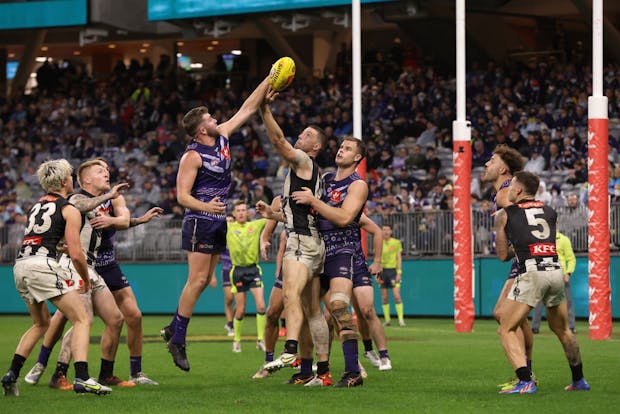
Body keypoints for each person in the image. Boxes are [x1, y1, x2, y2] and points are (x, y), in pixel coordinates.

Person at [161, 76, 270, 371]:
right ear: (200, 129)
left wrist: (269, 79)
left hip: (217, 220)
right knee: (196, 281)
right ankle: (177, 339)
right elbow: (182, 196)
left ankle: (173, 329)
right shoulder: (192, 155)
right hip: (199, 219)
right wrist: (206, 205)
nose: (215, 119)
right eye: (209, 117)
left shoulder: (221, 135)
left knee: (202, 283)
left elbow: (248, 108)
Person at [2, 159, 111, 396]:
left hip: (21, 266)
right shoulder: (69, 208)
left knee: (41, 323)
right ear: (64, 181)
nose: (73, 179)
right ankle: (82, 378)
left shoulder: (36, 205)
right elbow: (76, 254)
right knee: (82, 319)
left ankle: (11, 374)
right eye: (71, 176)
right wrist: (83, 279)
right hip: (43, 265)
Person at [25, 160, 131, 390]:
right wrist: (110, 195)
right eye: (100, 171)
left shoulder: (99, 202)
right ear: (86, 180)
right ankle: (58, 373)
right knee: (79, 319)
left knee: (115, 318)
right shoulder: (75, 198)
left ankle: (104, 374)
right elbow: (79, 207)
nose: (106, 173)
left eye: (107, 170)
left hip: (92, 267)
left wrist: (141, 220)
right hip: (74, 265)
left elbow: (119, 221)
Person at [255, 89, 331, 385]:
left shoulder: (303, 161)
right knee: (313, 311)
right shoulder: (310, 172)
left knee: (289, 297)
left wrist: (263, 109)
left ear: (315, 147)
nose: (301, 135)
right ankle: (321, 373)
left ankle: (289, 350)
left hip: (300, 243)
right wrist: (273, 216)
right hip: (313, 242)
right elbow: (298, 214)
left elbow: (277, 141)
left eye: (307, 134)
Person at [494, 171, 590, 394]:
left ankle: (525, 381)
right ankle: (579, 380)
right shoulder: (550, 211)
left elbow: (501, 255)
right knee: (563, 330)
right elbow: (539, 239)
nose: (508, 190)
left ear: (518, 190)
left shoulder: (504, 214)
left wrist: (504, 233)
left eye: (511, 186)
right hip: (555, 270)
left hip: (531, 272)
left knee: (505, 329)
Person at [291, 136, 370, 387]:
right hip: (318, 249)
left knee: (338, 307)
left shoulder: (358, 185)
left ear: (357, 157)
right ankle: (307, 371)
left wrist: (313, 201)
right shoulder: (324, 179)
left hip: (342, 250)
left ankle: (352, 371)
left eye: (347, 149)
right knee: (306, 313)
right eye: (340, 146)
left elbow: (345, 217)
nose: (340, 150)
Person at [481, 145, 535, 388]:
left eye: (491, 160)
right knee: (507, 315)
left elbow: (520, 212)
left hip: (527, 260)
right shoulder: (501, 194)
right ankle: (527, 370)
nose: (486, 164)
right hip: (521, 258)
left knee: (504, 316)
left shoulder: (505, 192)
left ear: (503, 168)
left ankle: (526, 375)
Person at [227, 201, 267, 353]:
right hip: (237, 271)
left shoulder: (255, 225)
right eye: (239, 210)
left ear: (248, 212)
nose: (242, 213)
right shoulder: (229, 227)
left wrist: (267, 210)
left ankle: (260, 339)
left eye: (244, 210)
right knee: (241, 309)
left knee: (261, 306)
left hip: (253, 270)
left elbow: (272, 217)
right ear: (234, 213)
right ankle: (236, 340)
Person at [531, 230, 577, 334]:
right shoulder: (541, 240)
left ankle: (571, 326)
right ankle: (534, 327)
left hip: (560, 275)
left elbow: (571, 259)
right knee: (538, 302)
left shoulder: (563, 240)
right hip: (544, 274)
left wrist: (568, 273)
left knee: (567, 302)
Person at [378, 223, 405, 327]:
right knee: (384, 297)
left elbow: (399, 258)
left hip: (393, 271)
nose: (385, 232)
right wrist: (378, 274)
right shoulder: (379, 242)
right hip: (383, 272)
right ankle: (387, 320)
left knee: (397, 296)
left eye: (387, 230)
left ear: (391, 231)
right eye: (383, 229)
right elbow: (378, 259)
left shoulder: (396, 242)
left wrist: (399, 272)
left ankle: (401, 320)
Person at [220, 214, 235, 337]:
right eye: (227, 221)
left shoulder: (239, 235)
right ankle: (230, 324)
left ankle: (232, 321)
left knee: (241, 303)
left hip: (239, 269)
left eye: (231, 220)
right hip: (226, 270)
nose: (229, 223)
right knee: (229, 298)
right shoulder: (221, 237)